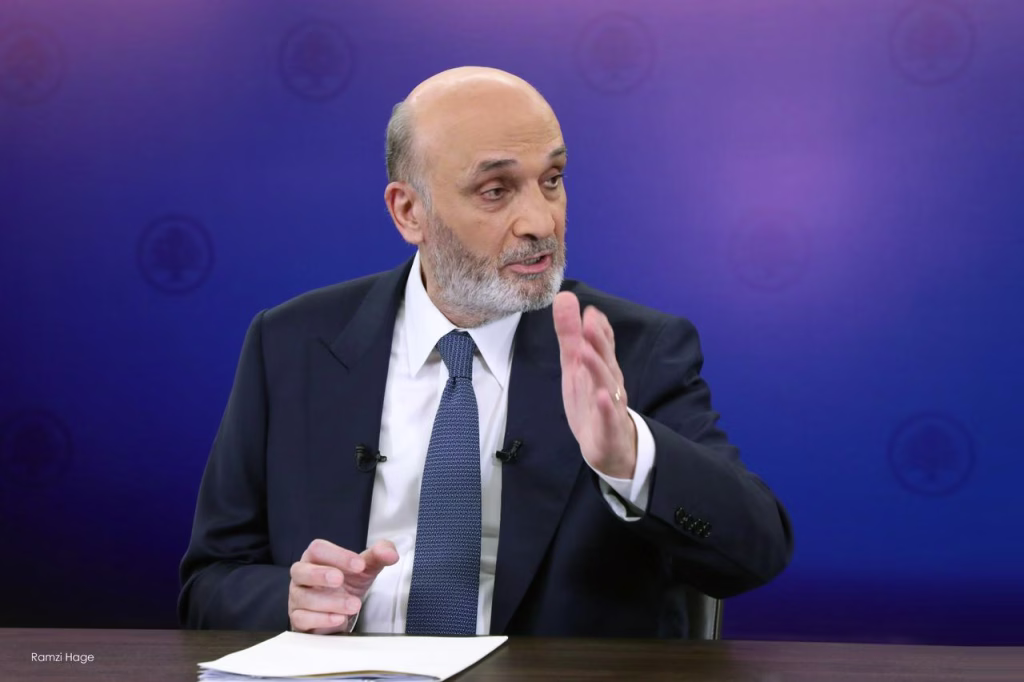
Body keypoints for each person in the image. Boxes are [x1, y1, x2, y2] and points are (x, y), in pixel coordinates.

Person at [178, 66, 793, 637]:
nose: (540, 222)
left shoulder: (633, 351)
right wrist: (290, 601)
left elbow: (755, 553)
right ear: (409, 211)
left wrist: (631, 457)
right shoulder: (292, 345)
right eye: (496, 190)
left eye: (552, 180)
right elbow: (210, 584)